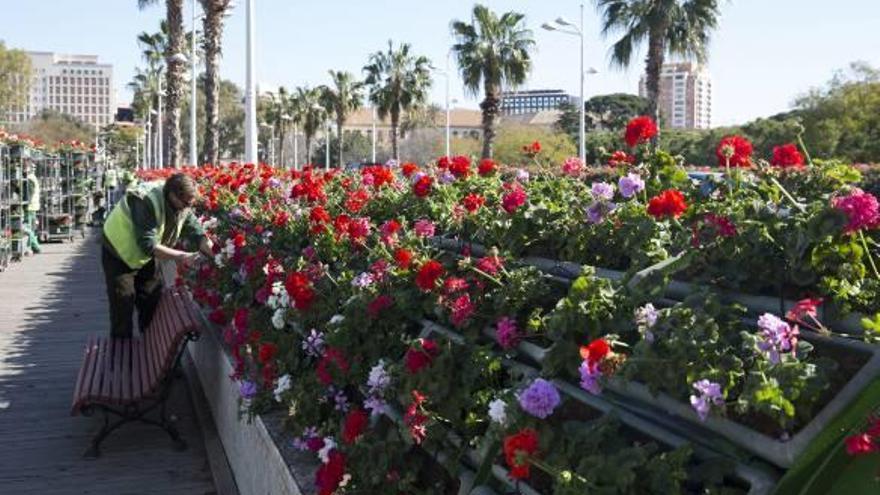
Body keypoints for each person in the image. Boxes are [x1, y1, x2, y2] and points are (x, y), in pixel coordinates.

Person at [102, 173, 213, 338]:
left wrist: (203, 239)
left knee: (151, 301)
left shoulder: (181, 204)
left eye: (189, 204)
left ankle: (146, 352)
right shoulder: (145, 200)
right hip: (118, 251)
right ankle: (121, 357)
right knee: (123, 304)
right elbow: (148, 244)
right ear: (172, 195)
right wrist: (183, 256)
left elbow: (191, 222)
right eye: (184, 203)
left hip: (143, 256)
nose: (186, 207)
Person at [22, 160, 41, 254]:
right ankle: (32, 246)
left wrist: (25, 203)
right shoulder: (33, 177)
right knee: (31, 227)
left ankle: (34, 246)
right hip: (33, 206)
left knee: (27, 227)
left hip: (29, 206)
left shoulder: (29, 179)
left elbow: (29, 194)